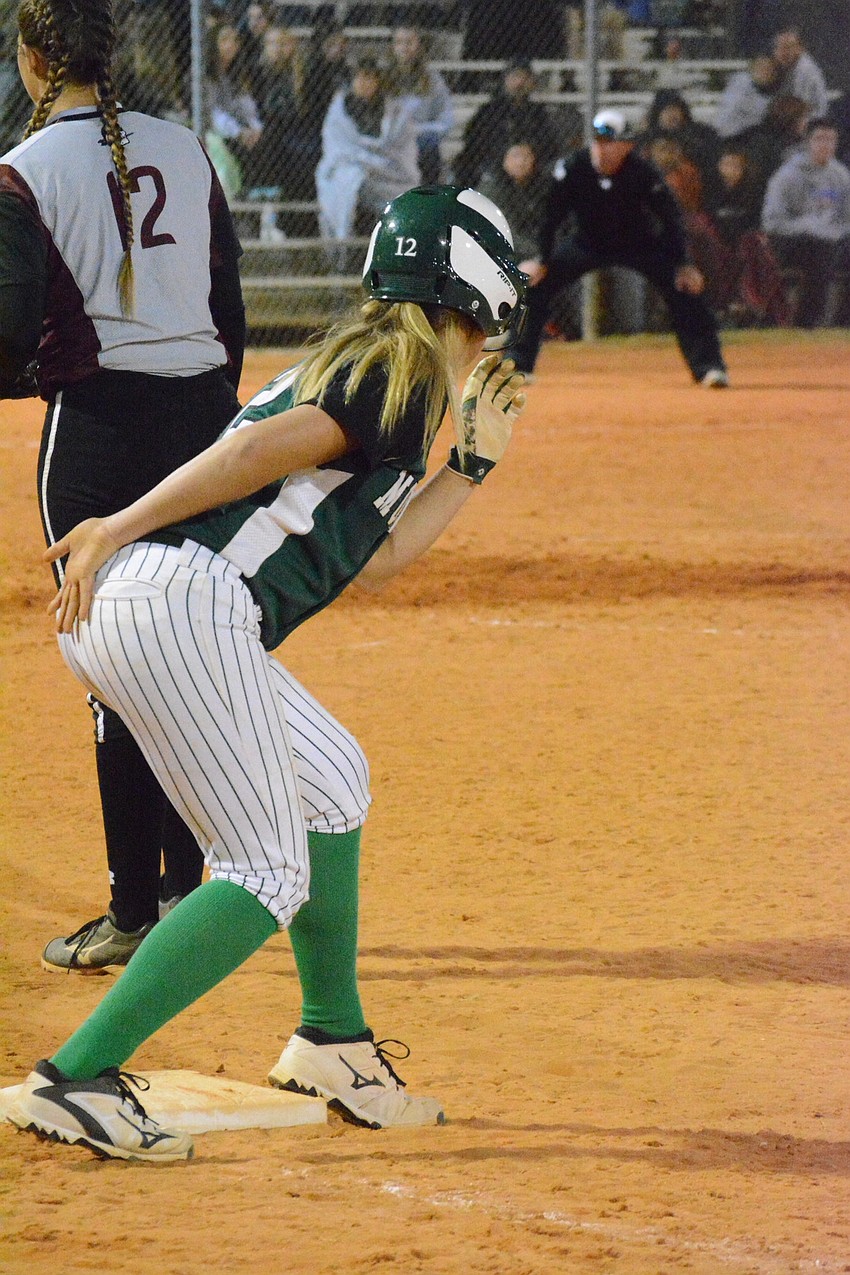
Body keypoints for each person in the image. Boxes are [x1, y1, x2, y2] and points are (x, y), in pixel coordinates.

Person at [6, 185, 528, 1161]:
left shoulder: (389, 368)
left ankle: (332, 1039)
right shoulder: (399, 369)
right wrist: (119, 526)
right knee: (266, 867)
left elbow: (371, 557)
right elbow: (251, 453)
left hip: (173, 604)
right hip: (181, 598)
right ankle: (76, 1076)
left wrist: (469, 470)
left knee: (332, 779)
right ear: (477, 284)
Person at [0, 0, 245, 969]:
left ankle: (133, 909)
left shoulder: (22, 172)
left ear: (31, 61)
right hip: (204, 425)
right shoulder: (186, 148)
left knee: (112, 673)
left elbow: (12, 330)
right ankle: (192, 888)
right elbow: (228, 309)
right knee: (190, 657)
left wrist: (46, 377)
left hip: (99, 433)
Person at [511, 108, 728, 387]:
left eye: (611, 143)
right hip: (586, 243)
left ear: (627, 146)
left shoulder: (643, 172)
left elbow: (670, 220)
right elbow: (550, 217)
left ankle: (709, 367)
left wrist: (683, 265)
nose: (603, 150)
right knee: (535, 287)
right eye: (599, 142)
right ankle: (517, 364)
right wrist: (541, 259)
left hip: (638, 244)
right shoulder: (573, 168)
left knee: (684, 290)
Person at [315, 57, 419, 242]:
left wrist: (376, 164)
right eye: (359, 78)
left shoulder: (395, 111)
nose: (364, 83)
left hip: (390, 174)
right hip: (352, 172)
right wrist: (367, 163)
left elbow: (403, 149)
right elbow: (338, 150)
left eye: (370, 78)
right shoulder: (340, 110)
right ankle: (347, 247)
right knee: (352, 178)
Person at [762, 117, 850, 327]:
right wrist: (807, 226)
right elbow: (771, 221)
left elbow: (846, 218)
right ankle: (808, 323)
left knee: (832, 248)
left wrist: (832, 231)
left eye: (831, 140)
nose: (825, 145)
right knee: (820, 251)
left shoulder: (840, 175)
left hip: (830, 236)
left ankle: (842, 321)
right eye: (820, 139)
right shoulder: (787, 176)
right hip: (789, 239)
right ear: (808, 142)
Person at [452, 60, 559, 192]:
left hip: (531, 168)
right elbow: (474, 144)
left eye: (524, 77)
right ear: (505, 80)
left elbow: (550, 146)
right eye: (515, 77)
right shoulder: (488, 111)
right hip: (493, 167)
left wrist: (526, 157)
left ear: (532, 82)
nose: (519, 83)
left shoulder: (539, 113)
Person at [384, 25, 453, 186]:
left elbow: (446, 121)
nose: (404, 48)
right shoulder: (382, 79)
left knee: (428, 153)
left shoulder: (434, 81)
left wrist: (417, 131)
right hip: (389, 145)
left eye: (409, 42)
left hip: (421, 145)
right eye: (399, 42)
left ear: (419, 46)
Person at [713, 54, 781, 142]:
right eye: (760, 67)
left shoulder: (774, 98)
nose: (763, 71)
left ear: (774, 74)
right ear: (752, 68)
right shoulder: (740, 80)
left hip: (749, 139)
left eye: (768, 69)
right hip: (724, 133)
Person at [771, 27, 829, 123]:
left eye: (788, 47)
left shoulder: (805, 71)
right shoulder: (787, 66)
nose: (783, 52)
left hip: (812, 123)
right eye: (779, 47)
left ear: (800, 49)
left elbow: (799, 110)